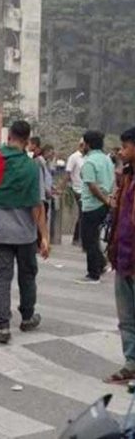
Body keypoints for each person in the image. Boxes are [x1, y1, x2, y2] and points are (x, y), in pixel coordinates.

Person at [0, 120, 50, 344]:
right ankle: (27, 317)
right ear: (27, 140)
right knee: (27, 275)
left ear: (9, 137)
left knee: (1, 278)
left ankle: (3, 326)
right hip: (25, 234)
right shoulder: (31, 167)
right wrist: (44, 236)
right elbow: (37, 205)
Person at [105, 127, 135, 383]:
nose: (121, 152)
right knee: (126, 318)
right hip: (123, 255)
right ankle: (131, 363)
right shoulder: (126, 177)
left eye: (126, 147)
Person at [76, 130, 116, 284]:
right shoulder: (107, 160)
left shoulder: (90, 162)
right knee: (92, 238)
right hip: (104, 204)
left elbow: (92, 185)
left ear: (88, 144)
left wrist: (104, 200)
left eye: (83, 143)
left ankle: (93, 273)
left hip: (92, 205)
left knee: (89, 240)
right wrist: (108, 200)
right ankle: (100, 264)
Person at [66, 140, 86, 246]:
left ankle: (78, 237)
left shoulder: (87, 158)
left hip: (85, 189)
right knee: (82, 212)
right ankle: (78, 238)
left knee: (83, 213)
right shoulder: (74, 157)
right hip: (77, 188)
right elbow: (68, 173)